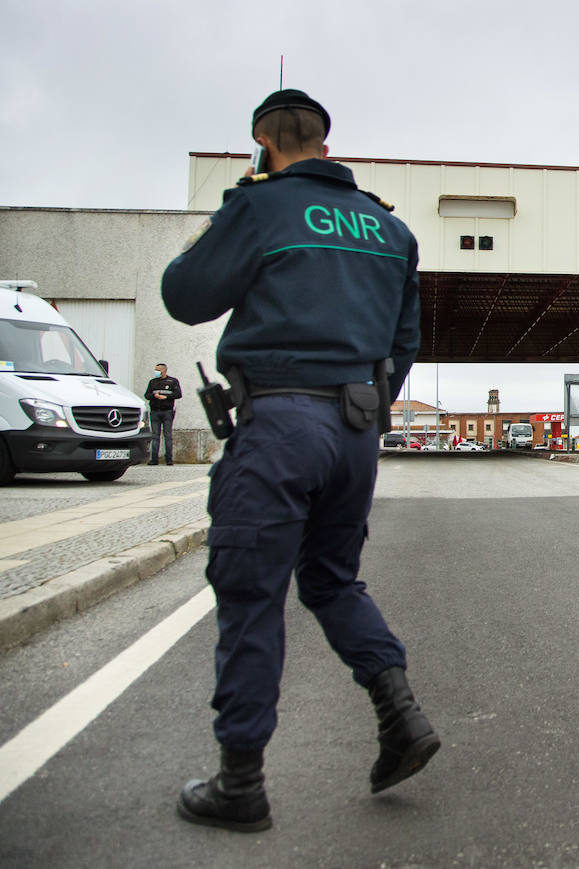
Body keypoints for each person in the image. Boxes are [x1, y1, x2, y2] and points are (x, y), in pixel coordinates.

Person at [161, 88, 435, 832]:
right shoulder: (390, 228)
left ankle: (240, 783)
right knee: (331, 578)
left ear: (263, 140)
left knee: (251, 590)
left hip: (279, 425)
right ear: (325, 142)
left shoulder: (260, 207)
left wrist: (234, 207)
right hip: (354, 433)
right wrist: (365, 413)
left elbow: (184, 295)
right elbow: (404, 343)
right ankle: (400, 713)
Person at [143, 363, 181, 465]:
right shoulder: (152, 382)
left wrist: (166, 397)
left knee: (168, 436)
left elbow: (178, 394)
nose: (155, 371)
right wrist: (154, 396)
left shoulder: (172, 381)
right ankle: (154, 459)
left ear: (164, 371)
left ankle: (169, 459)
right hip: (155, 411)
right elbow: (146, 395)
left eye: (157, 370)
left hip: (167, 411)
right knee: (155, 436)